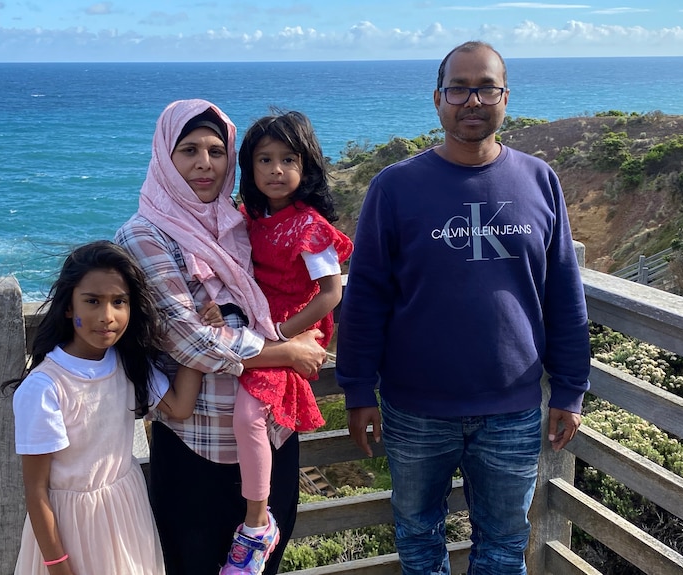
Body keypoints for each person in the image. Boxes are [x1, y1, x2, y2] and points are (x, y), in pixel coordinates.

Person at [335, 41, 591, 575]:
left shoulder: (539, 180)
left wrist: (570, 386)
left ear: (505, 97)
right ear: (437, 98)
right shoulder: (395, 186)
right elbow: (365, 298)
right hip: (414, 409)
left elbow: (563, 290)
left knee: (503, 546)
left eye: (486, 88)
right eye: (458, 88)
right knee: (418, 536)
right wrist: (357, 389)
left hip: (514, 409)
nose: (471, 100)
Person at [115, 99, 327, 575]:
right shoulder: (144, 236)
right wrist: (286, 350)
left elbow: (289, 291)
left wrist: (297, 326)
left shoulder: (238, 223)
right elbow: (191, 341)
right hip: (198, 448)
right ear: (164, 158)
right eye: (188, 150)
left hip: (271, 435)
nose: (204, 163)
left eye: (216, 150)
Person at [2, 240, 206, 575]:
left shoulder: (127, 362)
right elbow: (36, 491)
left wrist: (199, 335)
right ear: (69, 307)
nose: (106, 316)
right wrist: (58, 566)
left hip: (127, 512)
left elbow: (180, 407)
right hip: (72, 529)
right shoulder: (44, 388)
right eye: (93, 301)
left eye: (119, 302)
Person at [221, 111, 353, 574]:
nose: (276, 170)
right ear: (250, 168)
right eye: (264, 159)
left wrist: (284, 333)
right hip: (258, 324)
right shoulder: (250, 218)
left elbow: (332, 293)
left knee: (249, 414)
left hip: (288, 327)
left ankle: (258, 524)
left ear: (306, 165)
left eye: (288, 159)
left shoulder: (309, 227)